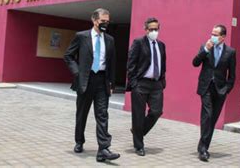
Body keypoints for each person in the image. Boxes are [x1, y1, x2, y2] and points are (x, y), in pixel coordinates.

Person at [64, 8, 120, 162]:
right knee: (82, 114)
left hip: (102, 81)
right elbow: (68, 56)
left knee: (102, 114)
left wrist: (112, 83)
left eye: (107, 22)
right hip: (85, 80)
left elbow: (112, 63)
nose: (105, 24)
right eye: (103, 21)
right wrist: (78, 72)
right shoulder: (81, 37)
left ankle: (103, 149)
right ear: (94, 20)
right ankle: (79, 141)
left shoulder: (110, 39)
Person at [192, 24, 236, 162]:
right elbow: (195, 62)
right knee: (207, 115)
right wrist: (205, 49)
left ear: (223, 37)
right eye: (212, 33)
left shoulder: (230, 52)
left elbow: (232, 74)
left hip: (220, 90)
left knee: (212, 119)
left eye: (216, 34)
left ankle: (202, 145)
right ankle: (203, 149)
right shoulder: (205, 47)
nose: (213, 36)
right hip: (206, 87)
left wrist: (227, 89)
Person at [126, 17, 166, 157]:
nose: (154, 31)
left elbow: (163, 64)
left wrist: (162, 82)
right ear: (146, 29)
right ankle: (139, 145)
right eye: (151, 29)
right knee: (138, 115)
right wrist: (134, 84)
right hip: (141, 83)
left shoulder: (161, 45)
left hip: (156, 84)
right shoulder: (138, 42)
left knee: (156, 111)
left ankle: (138, 131)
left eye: (156, 29)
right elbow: (131, 64)